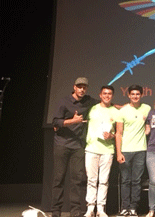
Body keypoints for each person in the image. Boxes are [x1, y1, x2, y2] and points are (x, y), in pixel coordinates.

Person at [51, 77, 98, 217]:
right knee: (59, 178)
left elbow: (106, 103)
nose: (82, 89)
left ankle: (75, 211)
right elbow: (55, 122)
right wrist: (73, 121)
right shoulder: (64, 102)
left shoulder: (88, 101)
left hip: (78, 146)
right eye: (79, 87)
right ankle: (56, 210)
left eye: (84, 87)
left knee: (77, 179)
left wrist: (126, 106)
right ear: (74, 87)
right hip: (62, 144)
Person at [115, 85, 151, 217]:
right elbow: (118, 133)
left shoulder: (146, 108)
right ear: (129, 95)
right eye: (133, 94)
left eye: (138, 94)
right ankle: (125, 208)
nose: (135, 96)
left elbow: (150, 121)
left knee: (136, 180)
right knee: (125, 180)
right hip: (126, 150)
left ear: (141, 95)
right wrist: (119, 152)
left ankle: (133, 208)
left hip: (141, 150)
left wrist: (147, 129)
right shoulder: (123, 111)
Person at [84, 85, 118, 217]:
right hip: (91, 149)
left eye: (109, 94)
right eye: (104, 93)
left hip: (107, 150)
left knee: (104, 180)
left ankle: (101, 208)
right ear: (100, 95)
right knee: (91, 180)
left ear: (112, 96)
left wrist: (112, 136)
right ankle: (90, 209)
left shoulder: (115, 111)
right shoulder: (92, 109)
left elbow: (119, 133)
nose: (107, 95)